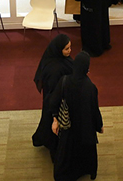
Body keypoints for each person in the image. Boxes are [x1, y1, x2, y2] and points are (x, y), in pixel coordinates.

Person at [47, 52, 102, 181]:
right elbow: (94, 110)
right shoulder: (90, 88)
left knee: (67, 152)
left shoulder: (64, 81)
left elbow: (53, 101)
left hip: (68, 127)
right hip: (86, 129)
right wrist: (99, 126)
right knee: (87, 152)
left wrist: (55, 119)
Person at [32, 34, 74, 153]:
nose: (70, 51)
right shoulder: (54, 69)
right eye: (66, 49)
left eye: (70, 47)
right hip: (55, 101)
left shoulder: (59, 59)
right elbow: (54, 91)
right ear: (58, 49)